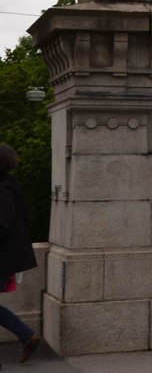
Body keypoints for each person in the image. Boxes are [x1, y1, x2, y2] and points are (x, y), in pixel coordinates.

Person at [0, 144, 40, 365]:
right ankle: (27, 335)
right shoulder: (10, 187)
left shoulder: (4, 190)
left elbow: (3, 226)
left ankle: (27, 335)